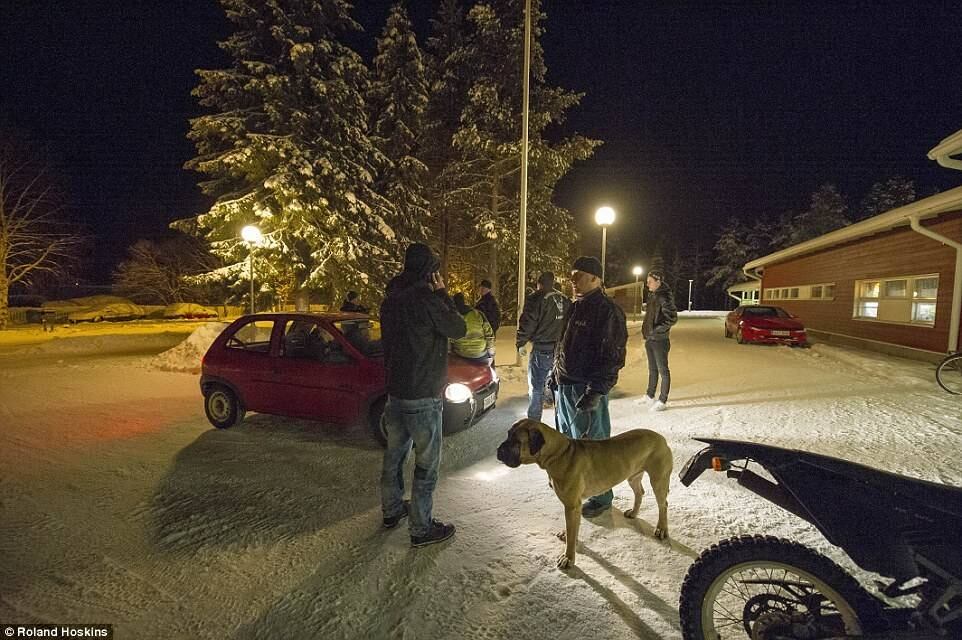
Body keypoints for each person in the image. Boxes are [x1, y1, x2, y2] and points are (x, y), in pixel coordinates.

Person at [379, 243, 467, 547]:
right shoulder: (427, 301)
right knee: (426, 464)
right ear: (430, 272)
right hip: (423, 395)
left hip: (396, 393)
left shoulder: (390, 300)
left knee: (394, 455)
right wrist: (442, 294)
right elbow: (458, 328)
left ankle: (392, 510)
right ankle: (421, 528)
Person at [549, 256, 627, 518]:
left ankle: (601, 496)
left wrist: (596, 391)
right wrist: (554, 374)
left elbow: (612, 357)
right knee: (569, 442)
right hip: (565, 386)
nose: (572, 280)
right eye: (572, 275)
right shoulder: (575, 306)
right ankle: (575, 483)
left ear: (595, 278)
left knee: (594, 446)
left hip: (586, 388)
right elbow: (562, 345)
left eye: (579, 275)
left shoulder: (607, 311)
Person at [516, 272, 570, 421]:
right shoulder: (564, 299)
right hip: (560, 351)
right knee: (558, 386)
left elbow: (528, 322)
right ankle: (562, 421)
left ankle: (533, 422)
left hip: (542, 349)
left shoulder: (537, 298)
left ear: (539, 284)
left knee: (536, 387)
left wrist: (521, 342)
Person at [641, 269, 678, 412]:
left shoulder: (664, 297)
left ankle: (662, 400)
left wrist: (656, 330)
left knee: (663, 371)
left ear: (658, 281)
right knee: (652, 369)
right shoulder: (653, 295)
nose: (647, 284)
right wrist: (647, 332)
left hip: (660, 340)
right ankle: (650, 395)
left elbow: (672, 318)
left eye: (650, 282)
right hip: (650, 339)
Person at [449, 292, 495, 364]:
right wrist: (491, 351)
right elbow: (489, 334)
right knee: (489, 364)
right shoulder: (478, 314)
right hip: (480, 353)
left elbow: (449, 337)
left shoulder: (452, 317)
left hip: (461, 353)